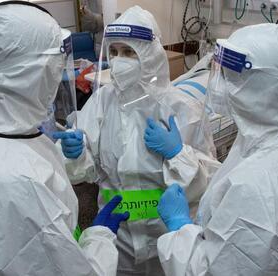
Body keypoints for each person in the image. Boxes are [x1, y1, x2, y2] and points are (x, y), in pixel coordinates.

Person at [0, 2, 128, 275]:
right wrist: (99, 238)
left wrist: (62, 157)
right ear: (35, 69)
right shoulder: (16, 182)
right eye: (57, 60)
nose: (61, 70)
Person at [156, 23, 278, 275]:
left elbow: (212, 269)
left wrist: (180, 230)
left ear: (266, 88)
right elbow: (231, 177)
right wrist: (182, 156)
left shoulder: (258, 189)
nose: (218, 85)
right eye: (220, 72)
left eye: (230, 76)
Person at [54, 5, 220, 275]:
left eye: (130, 52)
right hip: (118, 236)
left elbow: (210, 183)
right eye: (115, 52)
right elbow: (88, 168)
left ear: (150, 56)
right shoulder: (101, 102)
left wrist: (179, 154)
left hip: (167, 236)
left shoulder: (182, 110)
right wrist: (75, 154)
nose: (119, 61)